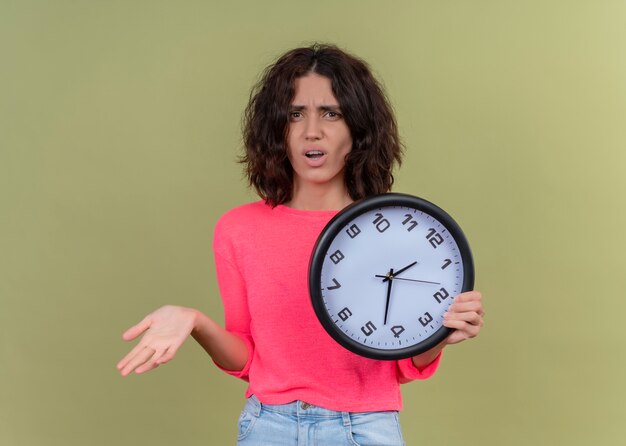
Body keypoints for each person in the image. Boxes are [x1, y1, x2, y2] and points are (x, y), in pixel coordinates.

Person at [117, 44, 484, 445]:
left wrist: (438, 336)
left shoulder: (397, 229)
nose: (313, 130)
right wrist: (194, 321)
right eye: (295, 114)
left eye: (332, 113)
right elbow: (246, 359)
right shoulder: (238, 229)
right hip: (267, 427)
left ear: (357, 129)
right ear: (277, 129)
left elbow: (399, 365)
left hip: (363, 428)